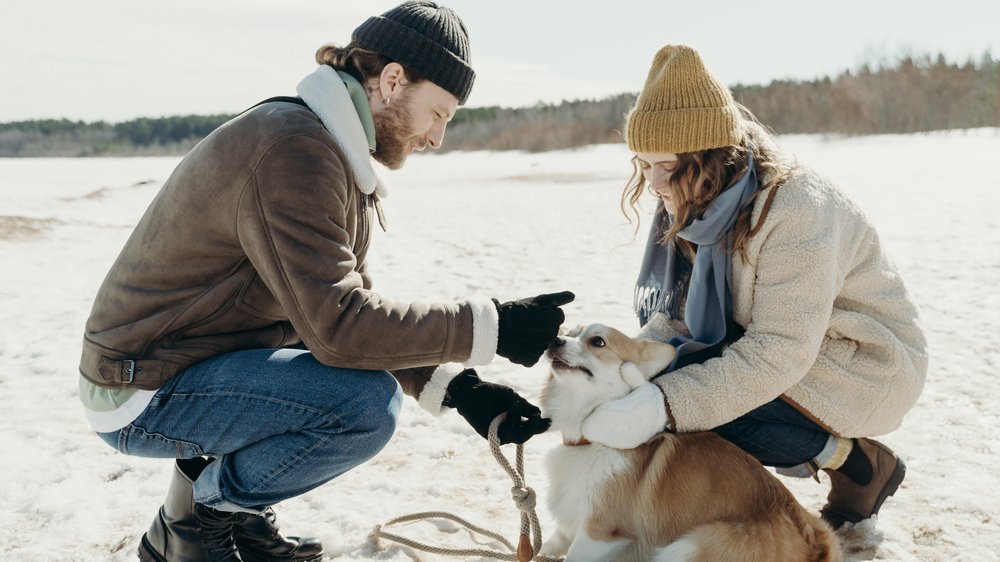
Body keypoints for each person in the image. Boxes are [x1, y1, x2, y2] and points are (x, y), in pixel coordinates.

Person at [78, 3, 573, 561]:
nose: (437, 138)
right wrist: (494, 326)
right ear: (391, 81)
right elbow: (341, 330)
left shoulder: (322, 142)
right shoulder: (296, 149)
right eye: (439, 113)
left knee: (347, 389)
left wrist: (459, 391)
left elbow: (351, 317)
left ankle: (233, 520)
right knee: (362, 408)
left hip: (189, 362)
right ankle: (196, 525)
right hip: (142, 386)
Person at [581, 45, 928, 530]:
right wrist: (620, 370)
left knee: (698, 406)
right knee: (661, 383)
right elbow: (679, 317)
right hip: (782, 348)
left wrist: (661, 404)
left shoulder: (797, 208)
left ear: (708, 156)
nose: (652, 181)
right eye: (641, 163)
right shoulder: (694, 193)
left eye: (666, 164)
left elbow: (780, 351)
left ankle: (860, 465)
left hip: (863, 363)